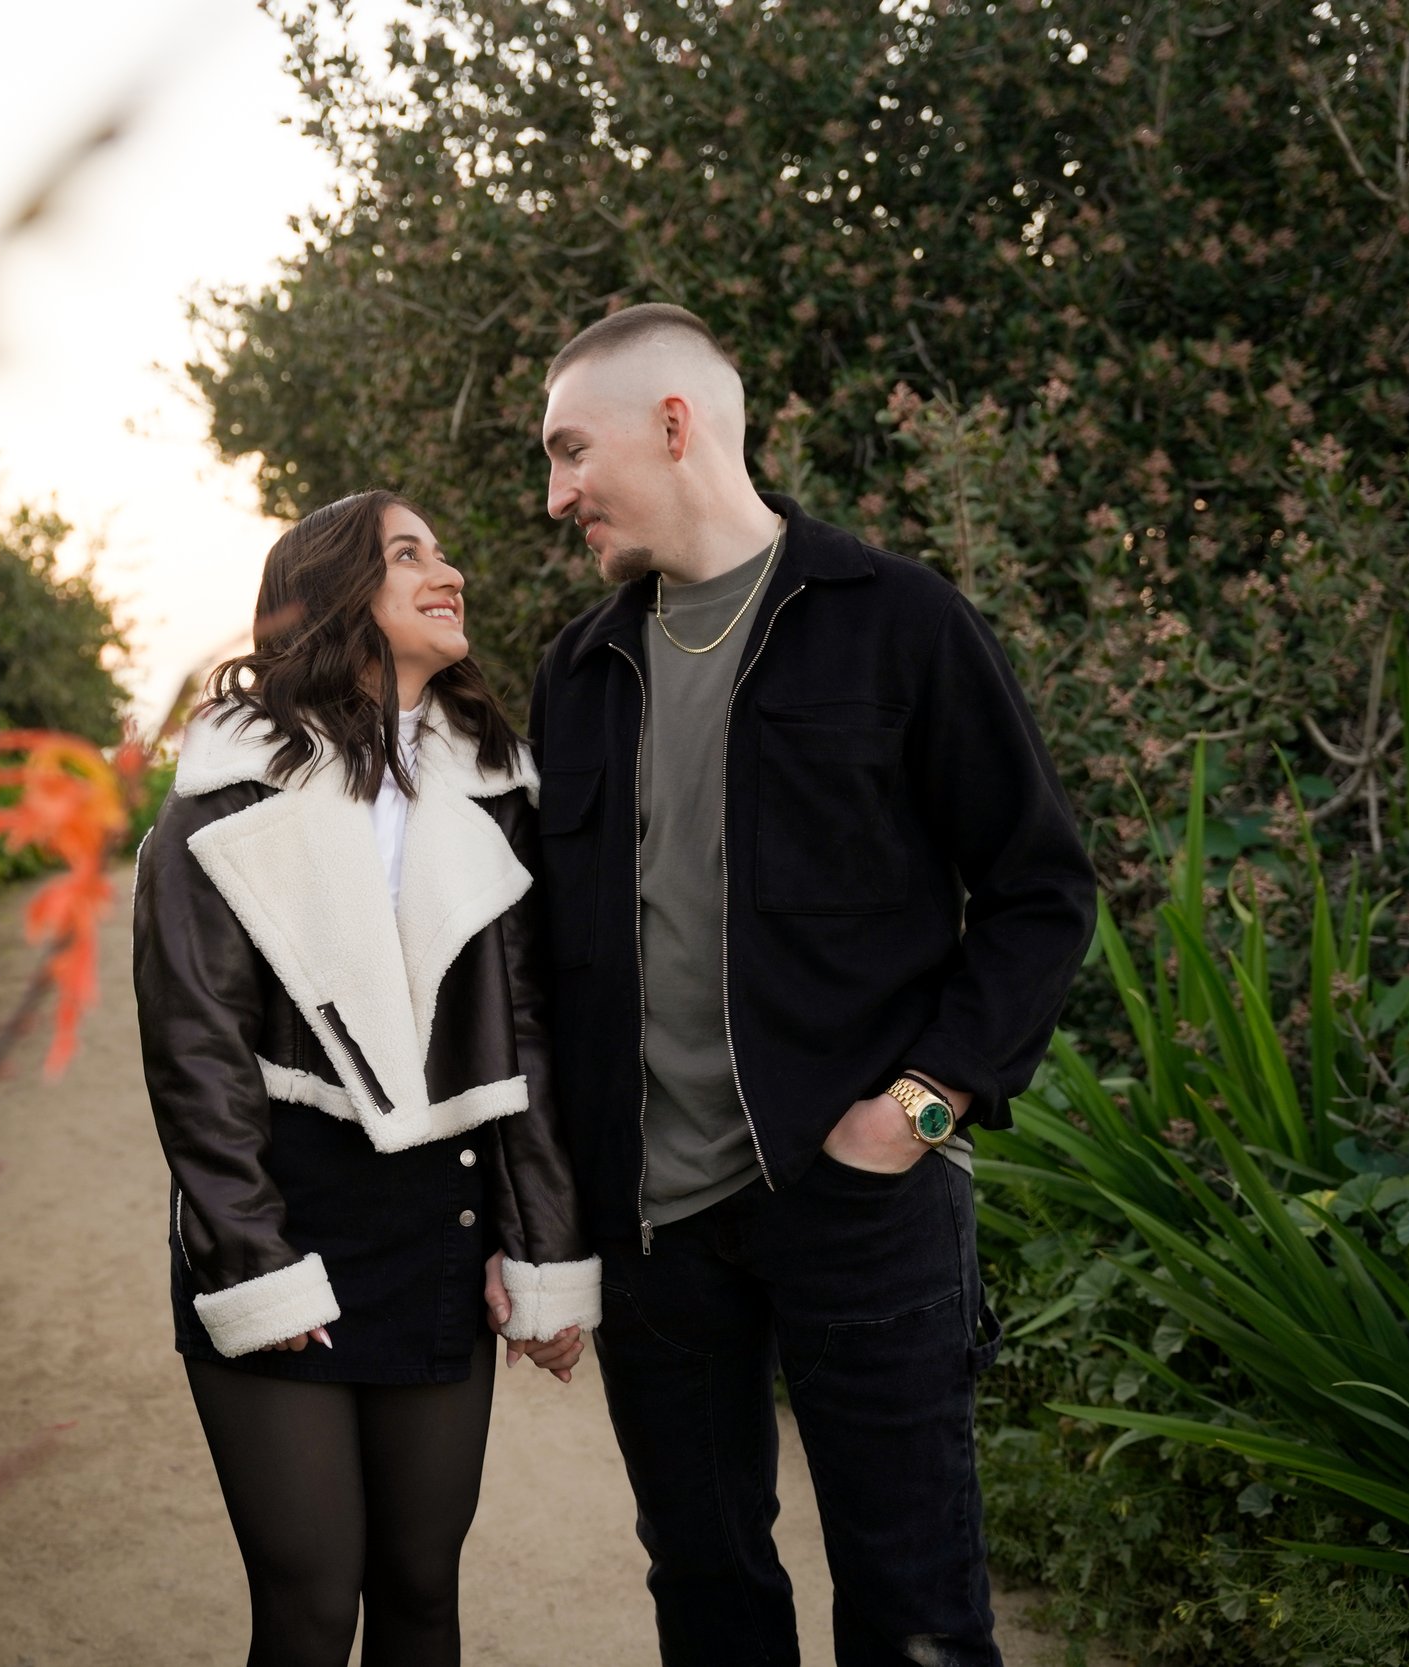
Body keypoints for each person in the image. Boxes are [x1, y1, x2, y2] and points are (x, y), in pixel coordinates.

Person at [527, 303, 1098, 1666]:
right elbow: (547, 958)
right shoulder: (580, 670)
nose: (555, 497)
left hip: (862, 1205)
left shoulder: (897, 622)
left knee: (914, 1596)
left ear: (674, 425)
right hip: (653, 1223)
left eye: (567, 451)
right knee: (708, 1584)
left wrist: (925, 1106)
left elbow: (1041, 890)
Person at [132, 489, 599, 1667]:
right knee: (307, 1597)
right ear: (341, 592)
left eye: (444, 549)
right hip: (280, 1221)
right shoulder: (218, 802)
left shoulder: (497, 789)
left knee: (419, 1587)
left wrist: (537, 1237)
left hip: (436, 1222)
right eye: (408, 554)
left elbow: (526, 1034)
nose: (447, 571)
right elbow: (196, 1050)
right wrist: (252, 1253)